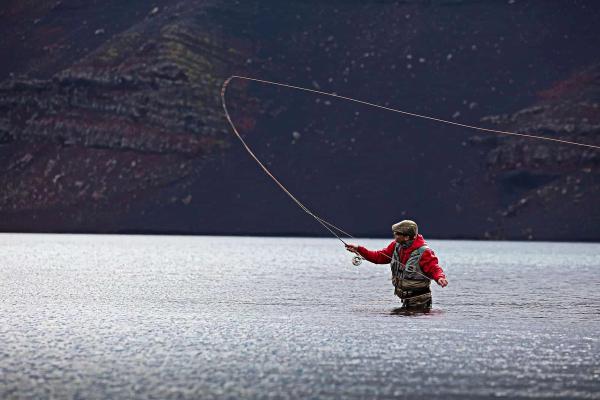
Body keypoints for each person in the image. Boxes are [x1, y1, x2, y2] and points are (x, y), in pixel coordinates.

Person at [345, 220, 448, 312]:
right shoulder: (395, 246)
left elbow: (434, 268)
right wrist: (359, 249)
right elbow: (378, 257)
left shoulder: (424, 252)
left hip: (420, 301)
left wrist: (440, 278)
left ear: (407, 237)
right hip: (406, 299)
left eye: (397, 233)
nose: (394, 235)